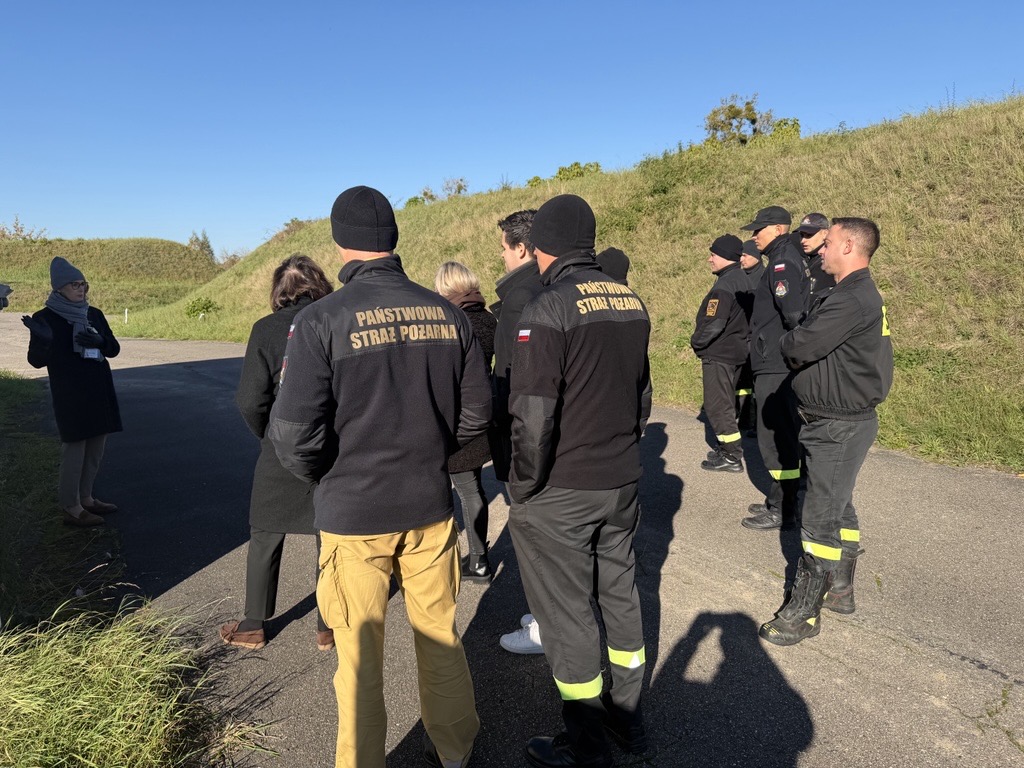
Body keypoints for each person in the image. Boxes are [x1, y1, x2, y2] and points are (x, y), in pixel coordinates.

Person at [267, 186, 491, 768]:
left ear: (340, 243)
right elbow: (476, 414)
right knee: (441, 639)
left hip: (353, 514)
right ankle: (456, 752)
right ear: (393, 239)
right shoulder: (448, 314)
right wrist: (429, 450)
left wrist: (329, 476)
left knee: (359, 657)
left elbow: (292, 434)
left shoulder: (319, 320)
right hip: (430, 507)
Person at [507, 194, 652, 768]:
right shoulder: (630, 300)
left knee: (567, 618)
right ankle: (628, 719)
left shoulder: (547, 307)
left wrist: (522, 487)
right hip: (622, 480)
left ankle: (588, 746)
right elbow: (641, 395)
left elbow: (532, 414)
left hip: (564, 488)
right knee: (620, 596)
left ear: (541, 247)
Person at [759, 217, 893, 645]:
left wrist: (788, 340)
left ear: (849, 246)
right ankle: (841, 588)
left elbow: (799, 345)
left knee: (819, 519)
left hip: (838, 425)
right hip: (835, 420)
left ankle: (804, 613)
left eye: (829, 242)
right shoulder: (851, 294)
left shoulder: (850, 299)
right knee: (838, 504)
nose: (821, 250)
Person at [220, 254, 336, 652]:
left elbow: (250, 400)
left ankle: (253, 624)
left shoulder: (265, 329)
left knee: (265, 530)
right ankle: (328, 625)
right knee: (329, 532)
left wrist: (268, 434)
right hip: (332, 441)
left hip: (280, 440)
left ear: (278, 291)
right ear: (320, 286)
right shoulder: (334, 320)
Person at [23, 258, 122, 527]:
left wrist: (100, 341)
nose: (81, 290)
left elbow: (113, 349)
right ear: (59, 288)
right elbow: (35, 361)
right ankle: (71, 506)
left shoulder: (94, 314)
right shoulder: (44, 319)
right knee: (75, 448)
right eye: (74, 285)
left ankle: (86, 498)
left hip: (98, 388)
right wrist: (43, 341)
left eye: (83, 284)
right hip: (70, 392)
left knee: (96, 447)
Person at [489, 209, 547, 655]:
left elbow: (511, 378)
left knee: (533, 535)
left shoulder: (519, 297)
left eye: (505, 248)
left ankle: (546, 627)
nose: (502, 256)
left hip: (524, 437)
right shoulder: (550, 285)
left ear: (522, 248)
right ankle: (546, 615)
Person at [739, 206, 810, 531]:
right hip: (774, 361)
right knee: (780, 435)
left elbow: (793, 315)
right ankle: (780, 499)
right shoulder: (782, 258)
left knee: (776, 438)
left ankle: (783, 509)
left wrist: (788, 354)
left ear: (779, 229)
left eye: (759, 230)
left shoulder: (782, 262)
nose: (754, 236)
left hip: (776, 364)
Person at [435, 261, 498, 583]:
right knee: (472, 488)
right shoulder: (488, 318)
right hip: (485, 411)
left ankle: (468, 560)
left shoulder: (451, 322)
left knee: (455, 491)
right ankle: (478, 558)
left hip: (456, 418)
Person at [691, 235, 751, 473]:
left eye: (713, 255)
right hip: (737, 351)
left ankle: (731, 455)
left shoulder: (724, 287)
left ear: (725, 256)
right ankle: (727, 448)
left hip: (720, 354)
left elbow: (714, 323)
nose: (710, 259)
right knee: (727, 403)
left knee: (718, 406)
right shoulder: (743, 280)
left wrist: (697, 342)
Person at [735, 240, 763, 432]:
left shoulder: (764, 277)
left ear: (756, 256)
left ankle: (757, 422)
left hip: (757, 336)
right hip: (741, 336)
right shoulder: (738, 277)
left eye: (745, 255)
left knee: (757, 382)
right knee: (742, 381)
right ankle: (744, 418)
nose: (741, 259)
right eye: (740, 255)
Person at [793, 212, 835, 298]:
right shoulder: (803, 257)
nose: (803, 240)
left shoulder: (829, 263)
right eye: (802, 235)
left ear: (825, 233)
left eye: (809, 235)